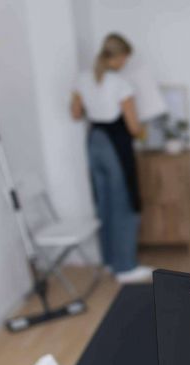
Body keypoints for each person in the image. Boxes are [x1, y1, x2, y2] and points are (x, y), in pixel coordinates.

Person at [71, 33, 152, 284]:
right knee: (124, 203)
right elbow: (133, 127)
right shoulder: (121, 84)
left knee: (104, 203)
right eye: (125, 58)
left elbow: (75, 114)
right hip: (115, 145)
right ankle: (125, 267)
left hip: (94, 141)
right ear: (118, 57)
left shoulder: (83, 79)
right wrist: (142, 131)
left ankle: (109, 261)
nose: (125, 63)